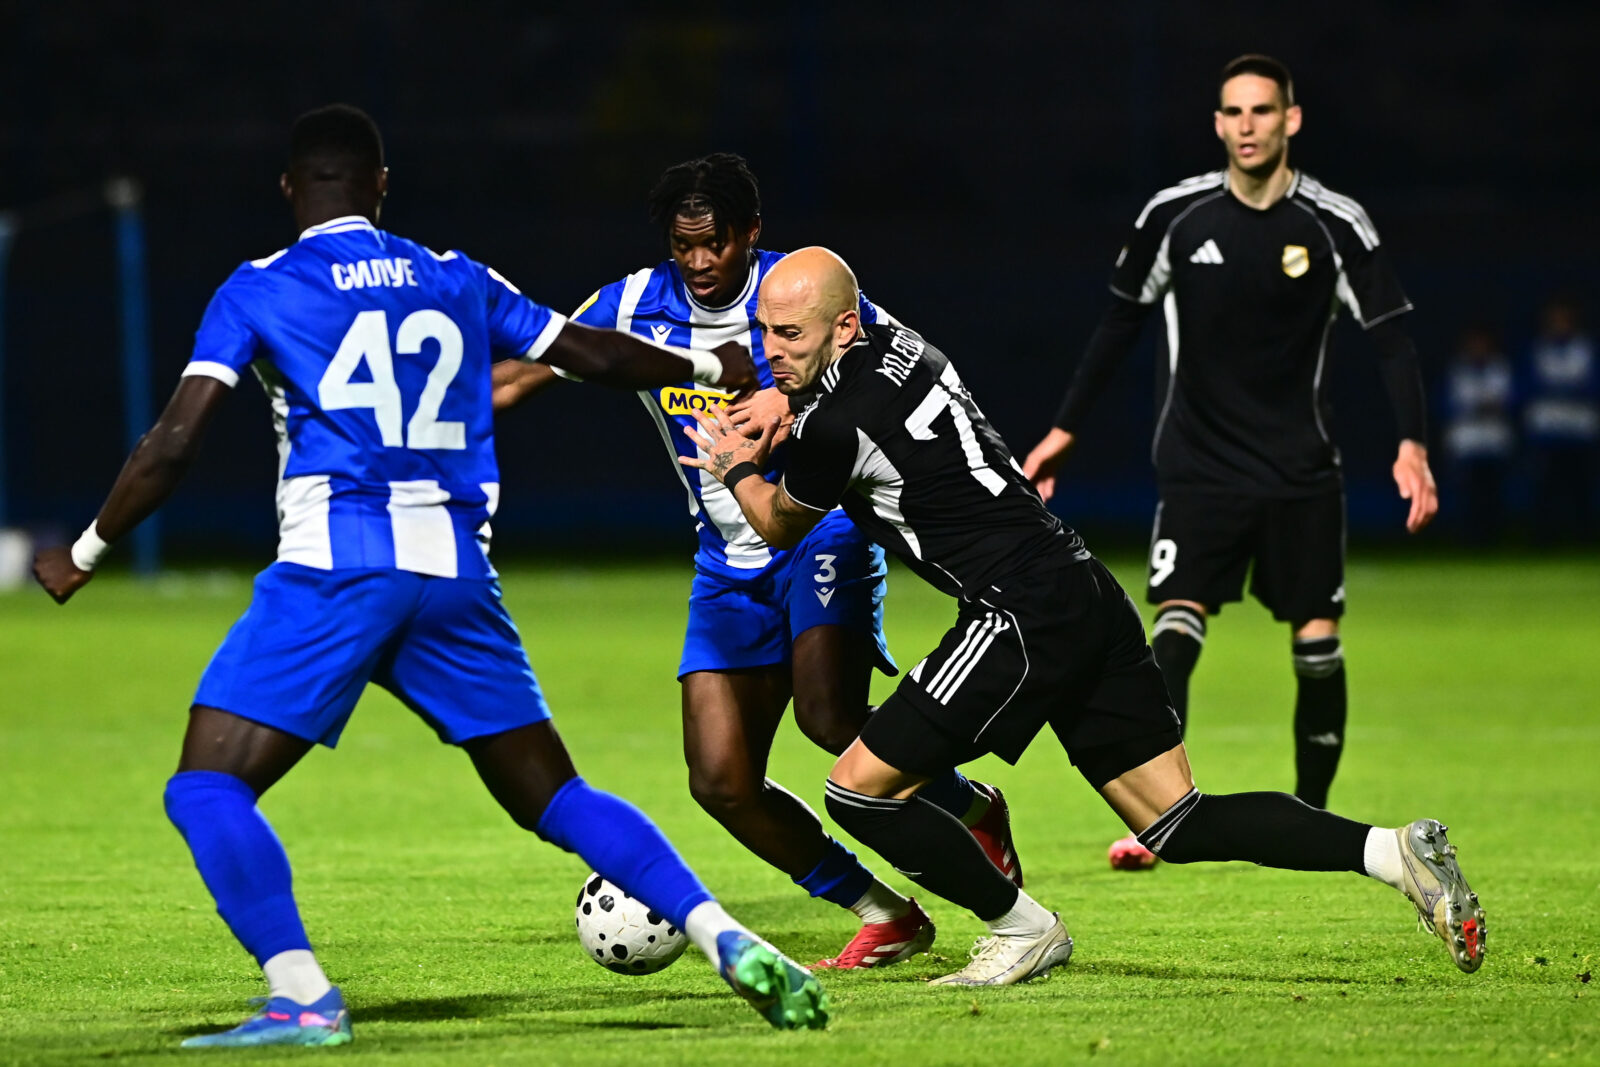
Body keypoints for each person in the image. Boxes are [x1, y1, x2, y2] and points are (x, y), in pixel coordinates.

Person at [31, 105, 829, 1047]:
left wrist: (83, 550)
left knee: (204, 789)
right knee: (557, 797)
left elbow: (172, 444)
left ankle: (301, 997)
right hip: (456, 571)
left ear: (291, 191)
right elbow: (592, 354)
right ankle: (726, 936)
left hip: (339, 565)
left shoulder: (259, 286)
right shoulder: (456, 277)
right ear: (380, 187)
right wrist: (707, 358)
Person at [680, 245, 1485, 987]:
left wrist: (740, 462)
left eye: (788, 332)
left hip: (1017, 607)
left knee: (857, 793)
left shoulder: (831, 422)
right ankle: (1393, 851)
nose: (769, 347)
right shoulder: (905, 345)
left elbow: (780, 521)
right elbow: (856, 415)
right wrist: (785, 407)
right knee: (1177, 819)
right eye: (763, 329)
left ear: (843, 325)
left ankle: (1020, 926)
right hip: (1082, 587)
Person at [491, 153, 1018, 969]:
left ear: (750, 234)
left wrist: (797, 391)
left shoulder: (794, 292)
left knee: (828, 717)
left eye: (718, 244)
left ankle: (970, 808)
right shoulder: (632, 302)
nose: (701, 264)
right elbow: (533, 370)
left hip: (820, 530)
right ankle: (884, 910)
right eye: (684, 246)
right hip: (723, 564)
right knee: (721, 781)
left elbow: (891, 352)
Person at [1019, 54, 1439, 868]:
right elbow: (1117, 324)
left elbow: (1391, 339)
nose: (1247, 126)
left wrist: (1413, 443)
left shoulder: (1334, 222)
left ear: (1292, 120)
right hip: (1199, 468)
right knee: (1174, 625)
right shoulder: (1175, 215)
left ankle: (1312, 819)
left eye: (1262, 111)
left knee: (1316, 641)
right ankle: (1161, 814)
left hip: (1300, 471)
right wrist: (1066, 427)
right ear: (1218, 125)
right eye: (1232, 113)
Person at [1522, 295, 1598, 544]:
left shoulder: (1585, 349)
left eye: (1564, 318)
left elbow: (1593, 385)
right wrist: (1567, 388)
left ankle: (1584, 538)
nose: (1559, 323)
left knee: (1580, 487)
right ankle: (1544, 539)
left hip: (1579, 428)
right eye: (1555, 318)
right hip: (1546, 428)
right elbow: (1529, 387)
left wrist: (1559, 388)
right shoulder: (1537, 349)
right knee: (1546, 489)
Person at [1442, 324, 1515, 544]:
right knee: (1467, 495)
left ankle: (1494, 537)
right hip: (1465, 441)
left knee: (1492, 494)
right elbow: (1444, 403)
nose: (1478, 348)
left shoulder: (1500, 368)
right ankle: (1467, 539)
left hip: (1494, 440)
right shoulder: (1457, 370)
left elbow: (1513, 400)